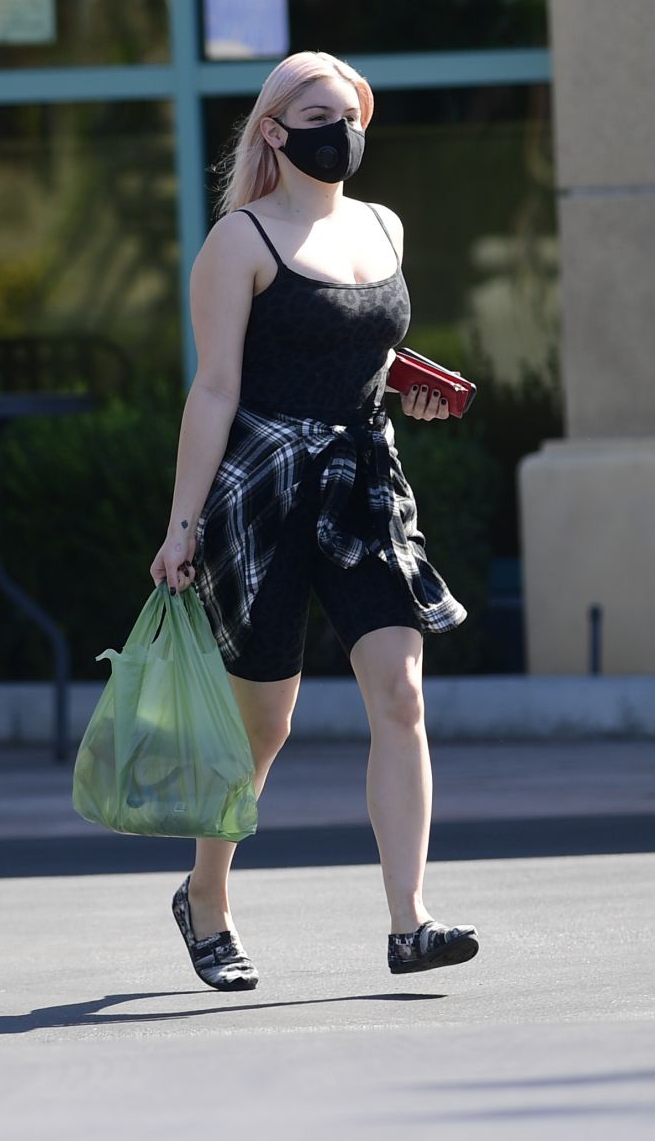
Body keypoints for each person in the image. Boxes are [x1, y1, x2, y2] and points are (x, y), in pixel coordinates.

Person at [150, 49, 478, 991]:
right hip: (264, 493)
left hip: (365, 484)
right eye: (325, 117)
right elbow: (213, 391)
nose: (345, 134)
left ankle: (408, 921)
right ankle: (205, 896)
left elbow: (365, 347)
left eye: (355, 116)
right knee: (265, 726)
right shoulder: (239, 245)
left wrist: (403, 392)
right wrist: (181, 528)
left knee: (402, 694)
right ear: (274, 131)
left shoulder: (385, 226)